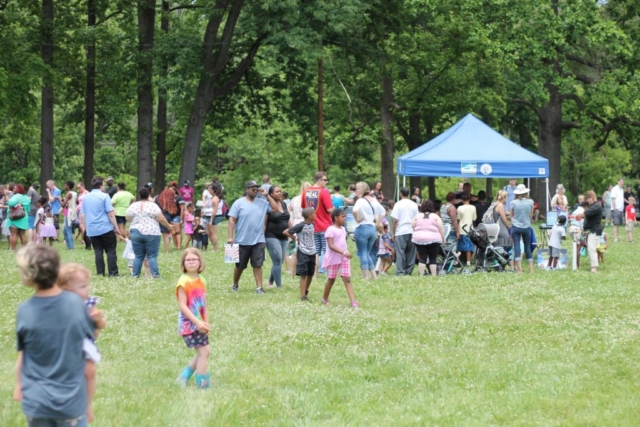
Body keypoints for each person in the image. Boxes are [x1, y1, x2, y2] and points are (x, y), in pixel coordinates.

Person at [13, 245, 96, 427]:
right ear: (57, 269)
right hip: (71, 403)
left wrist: (18, 385)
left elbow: (23, 354)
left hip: (36, 404)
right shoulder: (76, 303)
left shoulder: (24, 311)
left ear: (27, 275)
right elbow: (90, 338)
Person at [57, 263, 107, 423]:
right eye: (82, 286)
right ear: (66, 288)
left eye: (87, 285)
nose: (87, 289)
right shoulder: (59, 304)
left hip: (84, 343)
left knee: (90, 371)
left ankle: (87, 405)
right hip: (64, 346)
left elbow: (100, 326)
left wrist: (98, 320)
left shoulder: (89, 304)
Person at [227, 180, 275, 294]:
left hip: (258, 239)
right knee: (240, 266)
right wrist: (230, 237)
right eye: (252, 188)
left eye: (256, 188)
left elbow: (275, 209)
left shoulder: (262, 202)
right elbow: (232, 220)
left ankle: (259, 288)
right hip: (241, 240)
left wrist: (267, 195)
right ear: (247, 190)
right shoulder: (238, 203)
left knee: (257, 264)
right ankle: (235, 284)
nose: (255, 190)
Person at [175, 248, 210, 389]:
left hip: (200, 322)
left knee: (204, 352)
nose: (191, 262)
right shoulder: (183, 282)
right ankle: (202, 385)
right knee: (204, 352)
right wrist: (197, 322)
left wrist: (206, 322)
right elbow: (183, 306)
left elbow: (203, 303)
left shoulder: (202, 280)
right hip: (189, 323)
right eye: (188, 260)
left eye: (194, 259)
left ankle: (183, 377)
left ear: (200, 262)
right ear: (183, 263)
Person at [126, 186, 175, 278]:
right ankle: (155, 275)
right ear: (148, 194)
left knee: (138, 256)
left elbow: (128, 218)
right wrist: (169, 227)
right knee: (152, 256)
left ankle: (135, 275)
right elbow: (161, 218)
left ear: (139, 195)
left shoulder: (133, 206)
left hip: (136, 232)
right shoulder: (153, 206)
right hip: (152, 232)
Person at [81, 176, 122, 277]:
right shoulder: (105, 196)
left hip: (92, 229)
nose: (104, 186)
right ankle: (113, 273)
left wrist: (86, 229)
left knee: (98, 251)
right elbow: (111, 213)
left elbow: (83, 215)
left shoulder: (86, 197)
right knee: (110, 250)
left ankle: (100, 272)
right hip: (105, 228)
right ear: (100, 185)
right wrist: (116, 228)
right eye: (103, 184)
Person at [320, 208, 358, 307]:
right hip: (333, 259)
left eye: (345, 216)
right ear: (336, 218)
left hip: (343, 259)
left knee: (347, 279)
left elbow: (343, 242)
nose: (345, 218)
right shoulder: (330, 230)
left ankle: (353, 301)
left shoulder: (343, 229)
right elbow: (331, 245)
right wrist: (344, 252)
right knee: (331, 279)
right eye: (342, 217)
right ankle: (324, 299)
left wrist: (345, 253)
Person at [301, 171, 334, 276]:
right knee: (326, 250)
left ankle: (315, 273)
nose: (326, 182)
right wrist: (336, 211)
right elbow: (329, 209)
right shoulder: (324, 192)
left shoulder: (306, 191)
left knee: (315, 251)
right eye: (325, 180)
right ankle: (325, 271)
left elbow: (304, 208)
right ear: (319, 180)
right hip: (325, 225)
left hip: (312, 226)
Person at [353, 181, 385, 280]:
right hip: (372, 228)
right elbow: (383, 211)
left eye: (357, 189)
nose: (356, 191)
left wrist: (357, 219)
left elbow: (354, 210)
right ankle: (374, 276)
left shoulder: (360, 201)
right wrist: (377, 222)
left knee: (363, 252)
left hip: (362, 228)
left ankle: (365, 277)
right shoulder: (374, 200)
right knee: (367, 253)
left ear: (362, 190)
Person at [283, 207, 317, 301]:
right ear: (310, 216)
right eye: (314, 214)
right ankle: (303, 296)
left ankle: (305, 291)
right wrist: (294, 237)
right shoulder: (300, 226)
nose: (315, 215)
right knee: (303, 274)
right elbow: (285, 232)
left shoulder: (313, 224)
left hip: (312, 251)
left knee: (310, 273)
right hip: (303, 252)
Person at [265, 185, 291, 288]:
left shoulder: (284, 204)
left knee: (280, 261)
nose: (280, 193)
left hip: (284, 237)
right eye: (277, 192)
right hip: (271, 236)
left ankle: (270, 282)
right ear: (271, 194)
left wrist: (292, 232)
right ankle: (279, 286)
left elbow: (287, 220)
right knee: (277, 260)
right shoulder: (268, 206)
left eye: (280, 191)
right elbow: (264, 223)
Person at [411, 199, 445, 276]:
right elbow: (441, 228)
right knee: (433, 257)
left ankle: (421, 275)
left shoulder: (417, 216)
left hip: (419, 239)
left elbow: (413, 226)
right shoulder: (435, 216)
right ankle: (433, 275)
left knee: (422, 257)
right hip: (434, 239)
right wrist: (443, 237)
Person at [391, 187, 419, 276]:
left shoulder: (398, 204)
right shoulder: (414, 204)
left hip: (401, 230)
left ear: (400, 194)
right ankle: (409, 270)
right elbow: (417, 218)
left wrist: (393, 232)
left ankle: (400, 271)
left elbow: (395, 220)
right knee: (411, 252)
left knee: (400, 252)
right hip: (411, 230)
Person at [288, 181, 311, 278]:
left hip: (295, 223)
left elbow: (290, 209)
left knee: (294, 251)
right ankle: (309, 273)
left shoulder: (294, 199)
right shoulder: (309, 199)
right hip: (306, 224)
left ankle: (292, 274)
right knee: (307, 250)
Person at [510, 184, 534, 273]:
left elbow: (511, 215)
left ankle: (519, 269)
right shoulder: (531, 202)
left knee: (517, 246)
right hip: (526, 226)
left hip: (516, 226)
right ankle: (531, 269)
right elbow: (530, 215)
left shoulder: (513, 202)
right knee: (527, 246)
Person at [579, 190, 603, 273]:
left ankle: (594, 267)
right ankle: (593, 265)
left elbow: (586, 213)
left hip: (595, 229)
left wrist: (576, 216)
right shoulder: (593, 205)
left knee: (591, 248)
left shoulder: (596, 206)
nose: (586, 201)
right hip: (592, 229)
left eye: (587, 198)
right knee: (590, 247)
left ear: (592, 198)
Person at [157, 182, 182, 253]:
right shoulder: (170, 200)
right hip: (166, 216)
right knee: (166, 235)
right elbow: (172, 211)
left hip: (158, 216)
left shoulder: (158, 197)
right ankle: (167, 250)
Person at [6, 183, 31, 250]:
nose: (13, 189)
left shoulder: (16, 196)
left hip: (14, 217)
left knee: (14, 234)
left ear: (18, 189)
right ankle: (24, 249)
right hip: (23, 217)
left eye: (15, 188)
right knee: (22, 234)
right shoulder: (26, 198)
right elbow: (28, 209)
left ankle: (13, 249)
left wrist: (6, 196)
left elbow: (11, 203)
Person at [457, 193, 476, 266]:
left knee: (460, 246)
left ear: (462, 200)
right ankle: (468, 261)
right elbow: (474, 219)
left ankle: (459, 260)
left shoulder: (459, 208)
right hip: (469, 229)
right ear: (469, 199)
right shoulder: (473, 207)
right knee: (469, 246)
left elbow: (458, 219)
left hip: (461, 228)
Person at [492, 190, 512, 260]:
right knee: (505, 241)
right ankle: (502, 258)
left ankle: (500, 258)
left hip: (496, 226)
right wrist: (507, 225)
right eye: (506, 197)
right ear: (504, 197)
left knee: (500, 244)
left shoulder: (495, 204)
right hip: (500, 226)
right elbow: (503, 218)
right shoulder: (500, 205)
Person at [207, 183, 225, 252]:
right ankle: (214, 247)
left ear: (214, 190)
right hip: (209, 216)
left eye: (210, 189)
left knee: (213, 233)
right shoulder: (213, 197)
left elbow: (215, 210)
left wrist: (211, 220)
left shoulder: (215, 198)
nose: (209, 191)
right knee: (209, 232)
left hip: (215, 216)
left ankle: (215, 248)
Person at [60, 180, 78, 249]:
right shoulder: (75, 193)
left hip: (69, 213)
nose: (64, 186)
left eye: (65, 185)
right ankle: (68, 246)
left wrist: (59, 199)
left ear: (68, 186)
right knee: (64, 230)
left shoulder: (68, 194)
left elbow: (63, 205)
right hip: (71, 213)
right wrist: (64, 214)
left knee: (68, 230)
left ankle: (71, 247)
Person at [76, 181, 92, 250]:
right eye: (77, 188)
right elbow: (79, 203)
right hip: (80, 210)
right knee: (81, 226)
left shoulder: (86, 192)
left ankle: (87, 239)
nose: (78, 189)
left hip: (85, 210)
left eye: (79, 187)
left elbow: (91, 200)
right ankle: (85, 239)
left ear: (83, 186)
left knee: (83, 226)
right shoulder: (80, 194)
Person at [611, 177, 625, 242]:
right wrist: (615, 208)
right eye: (621, 181)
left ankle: (617, 237)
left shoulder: (622, 190)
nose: (622, 183)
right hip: (616, 209)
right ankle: (615, 238)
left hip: (621, 209)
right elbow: (613, 199)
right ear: (618, 182)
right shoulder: (614, 189)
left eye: (623, 182)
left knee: (618, 224)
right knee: (616, 224)